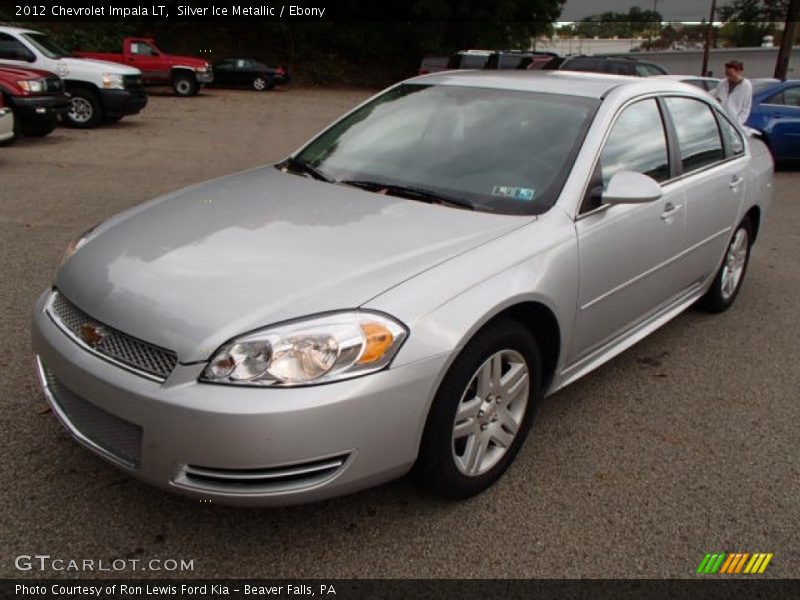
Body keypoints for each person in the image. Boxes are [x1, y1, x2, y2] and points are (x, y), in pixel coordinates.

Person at [714, 60, 752, 126]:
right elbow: (716, 99)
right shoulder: (721, 84)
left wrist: (738, 122)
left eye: (730, 75)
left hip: (734, 123)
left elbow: (746, 107)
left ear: (738, 72)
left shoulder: (746, 86)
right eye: (726, 74)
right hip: (719, 121)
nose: (728, 77)